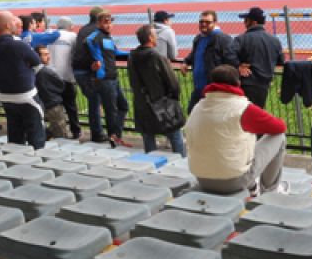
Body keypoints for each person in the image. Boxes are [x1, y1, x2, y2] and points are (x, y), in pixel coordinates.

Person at [186, 65, 287, 197]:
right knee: (279, 137)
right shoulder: (243, 108)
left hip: (202, 179)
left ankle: (252, 187)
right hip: (233, 182)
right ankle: (270, 191)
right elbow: (280, 127)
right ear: (238, 83)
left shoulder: (197, 107)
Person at [0, 11, 45, 149]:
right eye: (14, 21)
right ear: (7, 25)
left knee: (15, 136)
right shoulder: (17, 44)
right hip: (26, 95)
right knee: (36, 135)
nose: (18, 23)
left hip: (5, 96)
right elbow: (37, 61)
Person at [128, 25, 186, 156]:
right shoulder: (156, 56)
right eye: (155, 35)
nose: (157, 37)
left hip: (142, 103)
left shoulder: (132, 57)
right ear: (150, 37)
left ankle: (152, 165)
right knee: (175, 135)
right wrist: (174, 98)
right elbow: (172, 81)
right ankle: (181, 163)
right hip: (162, 103)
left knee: (148, 138)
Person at [85, 11, 130, 148]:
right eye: (105, 22)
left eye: (110, 22)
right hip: (105, 80)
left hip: (113, 78)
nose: (109, 25)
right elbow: (89, 43)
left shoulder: (107, 38)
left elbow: (115, 53)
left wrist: (133, 53)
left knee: (123, 106)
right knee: (111, 112)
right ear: (98, 23)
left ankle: (115, 136)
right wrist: (97, 64)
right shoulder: (95, 37)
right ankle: (114, 142)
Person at [181, 9, 238, 113]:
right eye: (201, 21)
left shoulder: (223, 39)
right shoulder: (199, 38)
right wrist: (186, 62)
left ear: (215, 23)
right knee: (192, 113)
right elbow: (194, 54)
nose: (203, 24)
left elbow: (232, 61)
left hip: (214, 89)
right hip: (199, 88)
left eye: (207, 22)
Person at [234, 7, 285, 109]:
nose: (244, 22)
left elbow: (228, 56)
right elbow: (281, 61)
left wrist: (238, 66)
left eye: (246, 20)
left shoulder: (241, 39)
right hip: (263, 85)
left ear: (254, 22)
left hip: (245, 84)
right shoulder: (275, 40)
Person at [73, 6, 107, 143]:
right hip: (88, 72)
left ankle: (98, 132)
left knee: (95, 102)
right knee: (95, 102)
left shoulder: (83, 29)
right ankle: (97, 133)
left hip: (79, 71)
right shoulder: (97, 32)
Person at [48, 17, 81, 139]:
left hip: (51, 76)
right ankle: (76, 130)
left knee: (54, 106)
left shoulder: (49, 34)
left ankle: (57, 130)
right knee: (71, 106)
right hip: (67, 76)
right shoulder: (72, 36)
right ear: (70, 26)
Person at [35, 45, 69, 139]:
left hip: (44, 105)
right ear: (38, 56)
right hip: (53, 106)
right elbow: (61, 85)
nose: (48, 56)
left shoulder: (32, 70)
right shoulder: (46, 72)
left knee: (51, 130)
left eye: (48, 54)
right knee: (61, 135)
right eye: (45, 54)